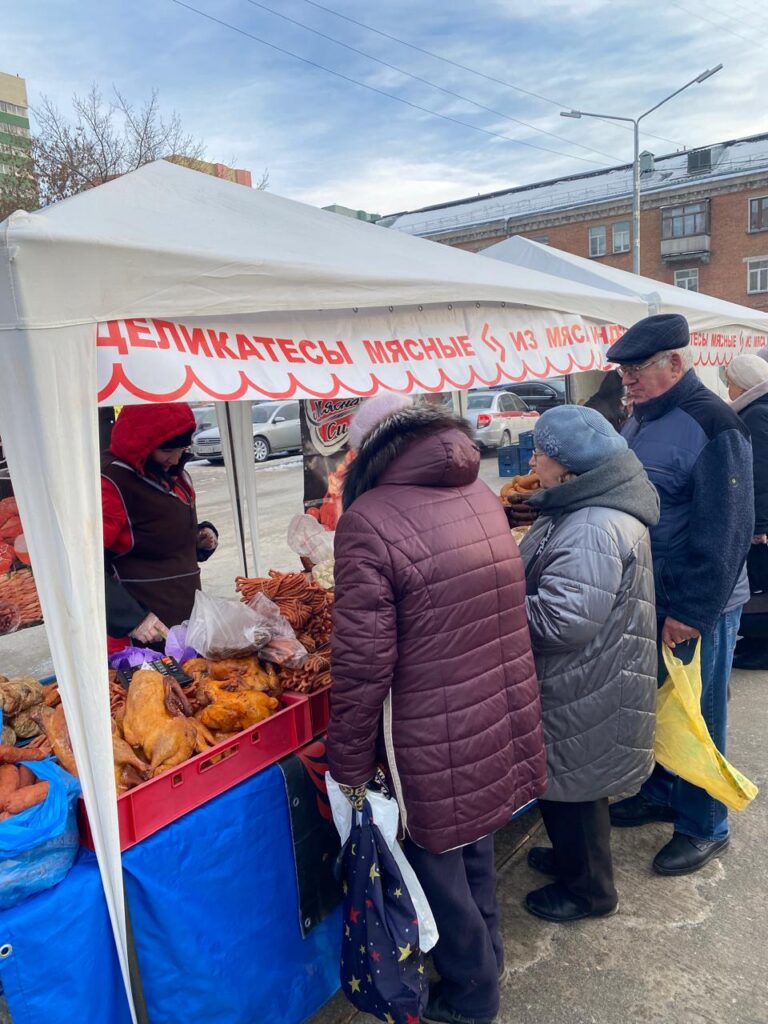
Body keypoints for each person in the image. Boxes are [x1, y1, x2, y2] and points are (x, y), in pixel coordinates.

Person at [326, 392, 547, 1024]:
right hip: (491, 703)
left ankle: (473, 995)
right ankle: (489, 960)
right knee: (473, 842)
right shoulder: (477, 491)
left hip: (432, 722)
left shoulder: (368, 518)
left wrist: (347, 762)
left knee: (435, 863)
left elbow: (363, 662)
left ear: (368, 451)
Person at [606, 314, 754, 875]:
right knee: (661, 702)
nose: (629, 379)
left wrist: (692, 611)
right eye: (623, 370)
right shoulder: (640, 418)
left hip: (700, 601)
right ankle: (664, 792)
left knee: (700, 712)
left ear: (675, 362)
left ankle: (704, 824)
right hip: (652, 593)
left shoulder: (714, 422)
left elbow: (728, 527)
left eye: (638, 368)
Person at [518, 406, 658, 923]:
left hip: (584, 680)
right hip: (588, 675)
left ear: (567, 465)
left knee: (575, 784)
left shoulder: (593, 525)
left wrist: (491, 607)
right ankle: (571, 861)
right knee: (569, 780)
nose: (532, 458)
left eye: (540, 451)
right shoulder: (581, 507)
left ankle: (590, 891)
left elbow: (563, 620)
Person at [102, 402, 218, 653]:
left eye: (182, 448)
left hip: (184, 615)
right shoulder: (112, 482)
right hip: (143, 632)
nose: (176, 458)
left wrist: (197, 539)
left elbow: (156, 531)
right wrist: (132, 618)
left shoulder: (174, 473)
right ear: (142, 444)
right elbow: (85, 564)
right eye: (168, 449)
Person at [725, 355, 768, 670]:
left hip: (762, 519)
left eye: (730, 383)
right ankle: (755, 642)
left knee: (760, 582)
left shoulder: (755, 415)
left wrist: (760, 523)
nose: (729, 389)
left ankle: (762, 647)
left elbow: (760, 474)